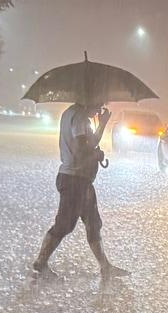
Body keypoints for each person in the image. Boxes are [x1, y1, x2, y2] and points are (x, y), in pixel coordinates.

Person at [31, 100, 129, 281]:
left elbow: (89, 143)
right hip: (74, 179)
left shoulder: (75, 115)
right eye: (99, 103)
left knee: (93, 223)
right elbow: (81, 148)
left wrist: (102, 124)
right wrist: (95, 154)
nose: (100, 108)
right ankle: (41, 262)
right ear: (88, 97)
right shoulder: (79, 117)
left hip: (81, 180)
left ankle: (105, 267)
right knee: (64, 225)